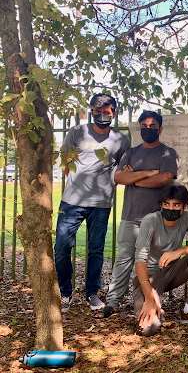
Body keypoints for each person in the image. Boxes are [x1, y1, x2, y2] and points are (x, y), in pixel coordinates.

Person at [95, 110, 179, 319]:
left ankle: (148, 301)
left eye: (152, 126)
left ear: (160, 129)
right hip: (131, 216)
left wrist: (136, 178)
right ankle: (113, 303)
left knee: (151, 262)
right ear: (139, 127)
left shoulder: (168, 154)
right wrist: (148, 173)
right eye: (144, 126)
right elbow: (118, 177)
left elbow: (165, 179)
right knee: (123, 259)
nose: (148, 129)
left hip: (158, 219)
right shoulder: (130, 153)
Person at [54, 93, 130, 313]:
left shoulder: (120, 139)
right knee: (61, 248)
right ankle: (65, 294)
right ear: (91, 112)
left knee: (95, 250)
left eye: (107, 112)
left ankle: (92, 294)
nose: (102, 116)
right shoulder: (77, 132)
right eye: (97, 111)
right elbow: (66, 161)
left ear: (114, 113)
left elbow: (123, 167)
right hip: (71, 202)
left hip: (102, 203)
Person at [133, 184, 188, 336]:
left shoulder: (187, 218)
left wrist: (180, 251)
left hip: (172, 271)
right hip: (150, 277)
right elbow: (139, 262)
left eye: (176, 205)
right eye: (166, 204)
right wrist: (149, 298)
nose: (170, 209)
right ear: (161, 205)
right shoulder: (150, 220)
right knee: (148, 329)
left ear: (184, 207)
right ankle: (154, 304)